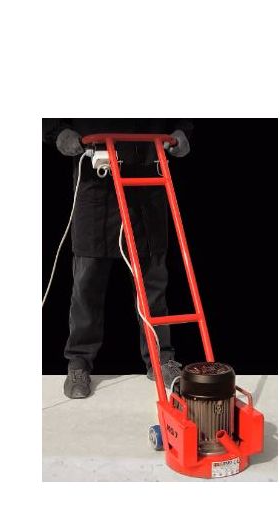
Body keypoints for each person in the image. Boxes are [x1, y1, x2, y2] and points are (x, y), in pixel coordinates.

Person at [42, 118, 193, 398]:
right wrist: (58, 132)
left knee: (153, 281)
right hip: (96, 179)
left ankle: (161, 358)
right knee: (87, 281)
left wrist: (182, 132)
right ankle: (79, 361)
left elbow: (181, 116)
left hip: (148, 176)